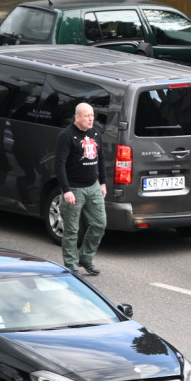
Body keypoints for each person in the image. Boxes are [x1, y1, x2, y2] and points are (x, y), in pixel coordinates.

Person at [55, 102, 107, 276]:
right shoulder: (66, 135)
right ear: (77, 117)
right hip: (74, 189)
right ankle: (71, 266)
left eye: (92, 115)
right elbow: (59, 164)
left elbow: (100, 159)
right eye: (86, 116)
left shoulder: (95, 133)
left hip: (93, 186)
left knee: (99, 224)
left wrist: (103, 183)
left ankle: (85, 258)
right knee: (71, 230)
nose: (91, 119)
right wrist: (66, 189)